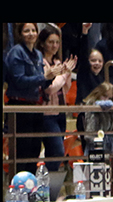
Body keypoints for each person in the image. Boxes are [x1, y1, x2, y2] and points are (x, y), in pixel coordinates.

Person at [5, 23, 70, 172]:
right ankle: (18, 184)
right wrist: (44, 77)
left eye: (33, 30)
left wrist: (52, 76)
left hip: (36, 106)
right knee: (23, 150)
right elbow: (19, 80)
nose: (31, 34)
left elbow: (43, 84)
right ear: (20, 33)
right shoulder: (16, 52)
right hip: (20, 106)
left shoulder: (38, 55)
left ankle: (32, 183)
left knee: (34, 150)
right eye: (26, 31)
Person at [38, 25, 77, 173]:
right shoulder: (41, 63)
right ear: (43, 43)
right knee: (57, 151)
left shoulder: (58, 63)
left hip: (61, 111)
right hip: (47, 113)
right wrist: (64, 74)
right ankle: (46, 178)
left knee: (57, 151)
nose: (54, 46)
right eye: (51, 42)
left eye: (57, 42)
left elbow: (64, 88)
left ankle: (49, 180)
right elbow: (50, 88)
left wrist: (66, 73)